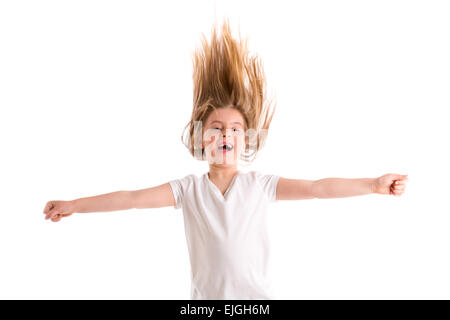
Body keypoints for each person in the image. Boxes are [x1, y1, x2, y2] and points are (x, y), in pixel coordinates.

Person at [42, 18, 408, 300]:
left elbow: (317, 188)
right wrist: (75, 205)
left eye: (235, 128)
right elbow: (131, 199)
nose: (226, 135)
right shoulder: (187, 191)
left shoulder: (260, 186)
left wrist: (373, 185)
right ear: (203, 138)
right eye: (217, 127)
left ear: (245, 138)